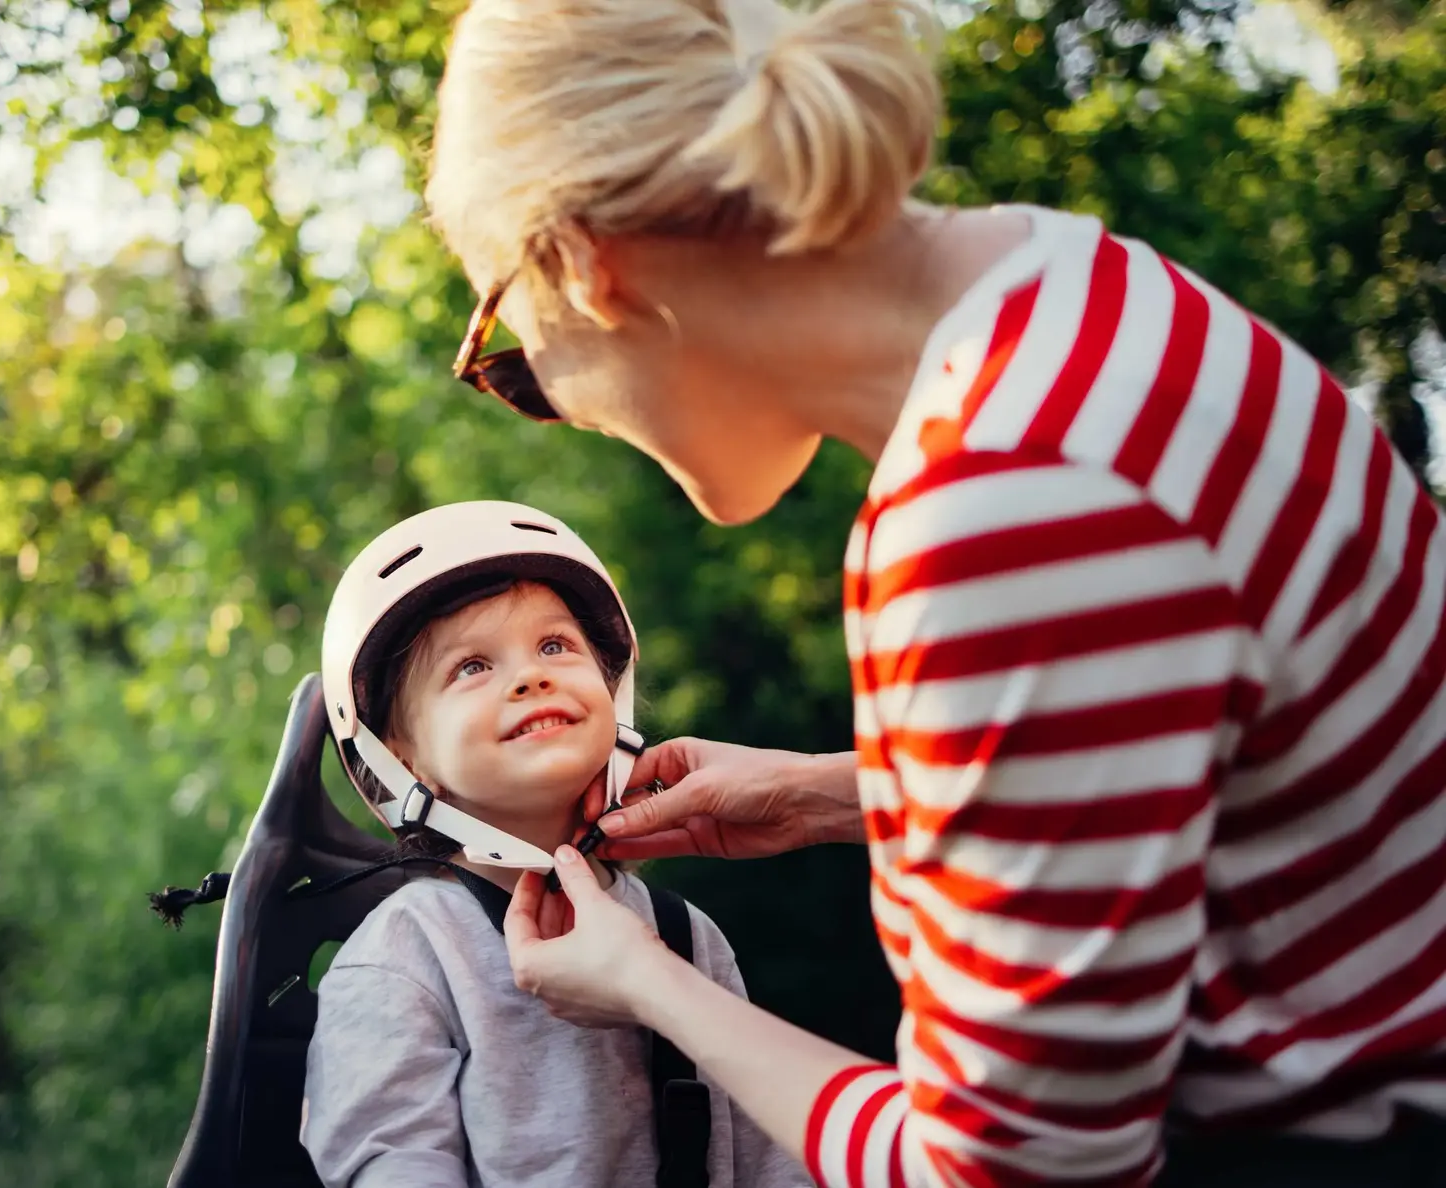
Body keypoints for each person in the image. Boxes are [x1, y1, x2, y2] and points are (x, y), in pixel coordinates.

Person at [418, 0, 1446, 1184]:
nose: (548, 402)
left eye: (509, 356)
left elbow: (1015, 1174)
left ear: (590, 266)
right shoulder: (1081, 287)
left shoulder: (1000, 508)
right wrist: (844, 794)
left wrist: (654, 988)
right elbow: (1234, 769)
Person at [299, 499, 810, 1188]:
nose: (530, 676)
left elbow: (771, 1162)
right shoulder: (404, 959)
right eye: (471, 667)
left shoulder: (687, 937)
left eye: (554, 646)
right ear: (403, 760)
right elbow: (391, 1165)